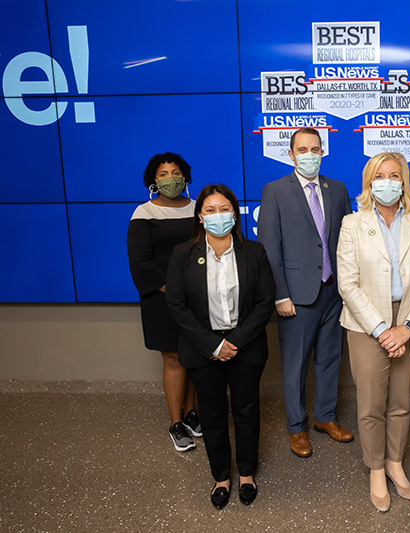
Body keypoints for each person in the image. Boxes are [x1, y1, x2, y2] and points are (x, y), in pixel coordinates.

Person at [337, 152, 410, 512]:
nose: (387, 181)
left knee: (401, 401)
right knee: (371, 405)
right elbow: (347, 285)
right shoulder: (352, 223)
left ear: (404, 181)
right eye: (380, 175)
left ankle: (396, 463)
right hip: (368, 324)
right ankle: (376, 469)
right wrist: (383, 330)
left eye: (394, 174)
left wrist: (407, 327)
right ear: (369, 182)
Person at [166, 184, 276, 509]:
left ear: (235, 213)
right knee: (212, 414)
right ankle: (221, 477)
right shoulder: (183, 255)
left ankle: (245, 473)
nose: (218, 215)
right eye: (211, 210)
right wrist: (214, 345)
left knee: (246, 410)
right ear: (200, 216)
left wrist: (234, 341)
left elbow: (264, 301)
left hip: (246, 347)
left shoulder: (254, 252)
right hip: (203, 350)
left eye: (224, 209)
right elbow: (176, 304)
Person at [257, 127, 354, 458]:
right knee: (295, 365)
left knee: (330, 359)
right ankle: (296, 427)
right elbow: (270, 247)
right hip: (296, 296)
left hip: (333, 290)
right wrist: (280, 295)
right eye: (303, 149)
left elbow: (347, 240)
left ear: (322, 152)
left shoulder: (337, 188)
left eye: (315, 149)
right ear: (291, 154)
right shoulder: (275, 191)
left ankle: (325, 418)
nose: (309, 155)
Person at [127, 152, 201, 453]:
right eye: (163, 174)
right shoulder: (144, 213)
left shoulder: (199, 209)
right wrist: (171, 288)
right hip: (162, 299)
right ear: (153, 181)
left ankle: (193, 413)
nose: (171, 178)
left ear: (185, 176)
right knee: (173, 358)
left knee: (195, 356)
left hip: (197, 297)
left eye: (176, 172)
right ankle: (176, 423)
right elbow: (140, 262)